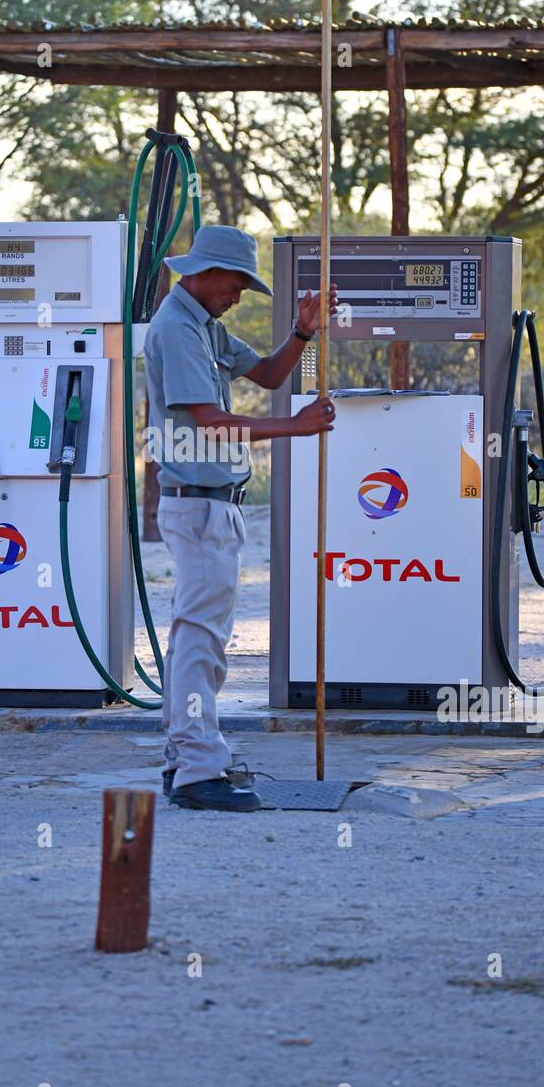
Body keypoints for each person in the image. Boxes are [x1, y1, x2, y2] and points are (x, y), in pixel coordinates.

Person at [143, 224, 337, 813]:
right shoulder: (176, 329)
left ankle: (185, 756)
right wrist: (295, 429)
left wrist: (303, 333)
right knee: (201, 640)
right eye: (235, 283)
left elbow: (271, 375)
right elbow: (209, 420)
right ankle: (199, 768)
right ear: (202, 272)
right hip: (199, 501)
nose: (238, 295)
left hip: (209, 503)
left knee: (192, 638)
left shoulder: (203, 326)